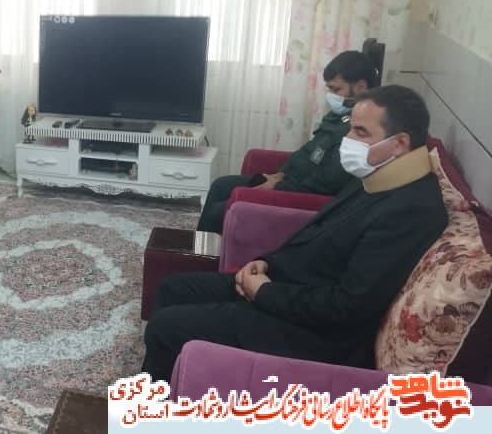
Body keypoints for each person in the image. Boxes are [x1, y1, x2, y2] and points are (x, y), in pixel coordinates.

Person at [142, 85, 447, 381]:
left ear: (400, 142)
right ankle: (169, 383)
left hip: (314, 333)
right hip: (288, 288)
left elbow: (347, 307)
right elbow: (314, 234)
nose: (348, 139)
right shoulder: (378, 175)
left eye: (360, 132)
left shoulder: (411, 210)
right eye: (351, 129)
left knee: (167, 328)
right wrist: (266, 263)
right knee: (172, 288)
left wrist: (264, 292)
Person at [196, 51, 379, 233]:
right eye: (329, 89)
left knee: (219, 212)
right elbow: (307, 152)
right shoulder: (337, 117)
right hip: (288, 181)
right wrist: (280, 174)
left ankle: (208, 249)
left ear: (360, 87)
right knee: (221, 185)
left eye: (336, 89)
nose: (331, 95)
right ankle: (199, 245)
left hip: (299, 195)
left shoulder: (357, 132)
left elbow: (326, 183)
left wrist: (278, 186)